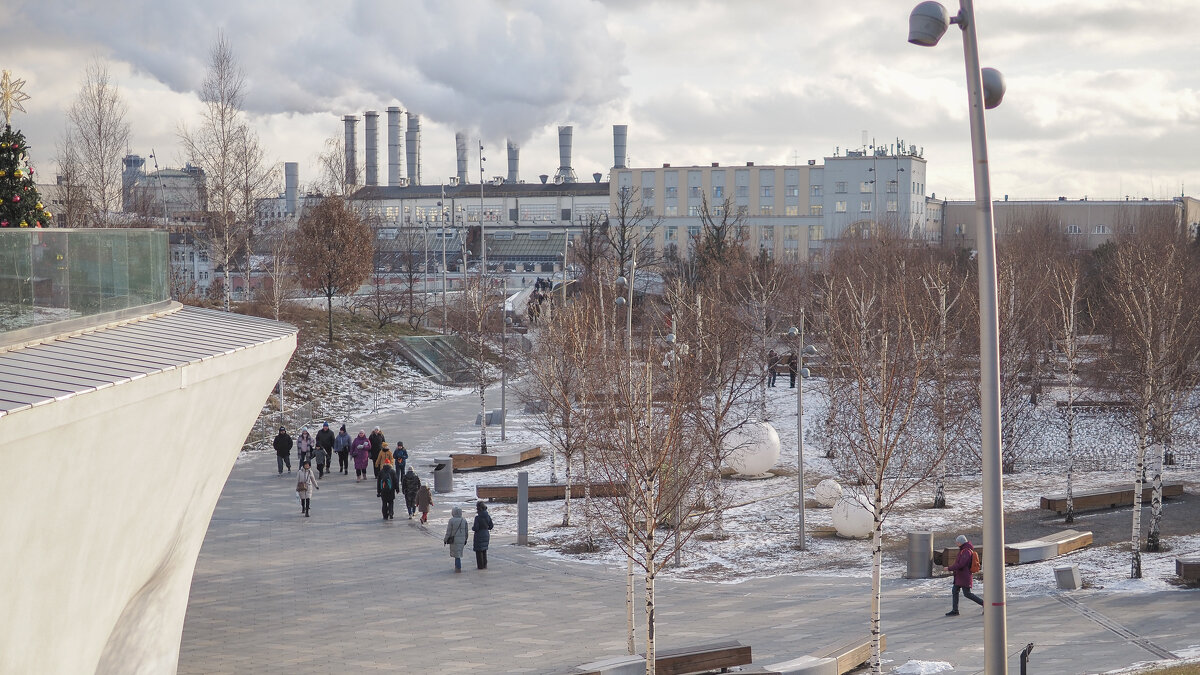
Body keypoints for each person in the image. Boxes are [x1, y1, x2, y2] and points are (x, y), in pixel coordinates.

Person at [945, 534, 984, 616]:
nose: (956, 544)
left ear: (961, 542)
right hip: (960, 576)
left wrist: (949, 568)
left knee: (967, 593)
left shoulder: (966, 551)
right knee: (955, 590)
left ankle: (985, 604)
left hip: (964, 576)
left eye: (958, 542)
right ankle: (955, 610)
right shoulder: (964, 550)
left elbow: (961, 564)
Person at [443, 506, 469, 572]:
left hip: (454, 540)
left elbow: (448, 531)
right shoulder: (464, 520)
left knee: (456, 554)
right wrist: (466, 539)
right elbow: (466, 531)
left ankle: (458, 567)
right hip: (462, 539)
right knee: (458, 553)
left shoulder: (451, 520)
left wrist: (445, 539)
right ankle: (457, 566)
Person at [471, 501, 494, 569]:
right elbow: (491, 526)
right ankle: (485, 564)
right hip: (486, 534)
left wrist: (473, 528)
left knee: (478, 551)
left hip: (479, 535)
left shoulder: (477, 518)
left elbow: (476, 528)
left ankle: (480, 566)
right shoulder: (488, 516)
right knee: (484, 550)